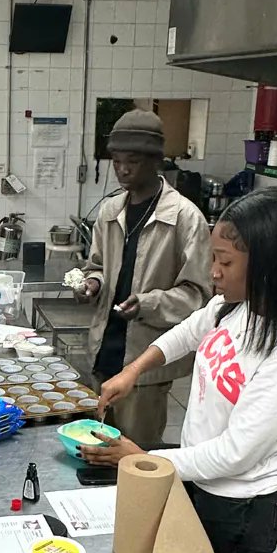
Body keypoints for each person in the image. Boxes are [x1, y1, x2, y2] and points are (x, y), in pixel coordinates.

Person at [79, 188, 277, 553]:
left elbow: (236, 453)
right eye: (215, 258)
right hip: (202, 483)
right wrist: (132, 371)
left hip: (247, 504)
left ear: (270, 265)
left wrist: (146, 459)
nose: (213, 272)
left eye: (225, 262)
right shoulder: (232, 307)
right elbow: (188, 333)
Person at [78, 108, 212, 443]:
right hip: (103, 352)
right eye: (117, 160)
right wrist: (92, 282)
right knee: (96, 449)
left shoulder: (185, 218)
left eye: (133, 161)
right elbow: (96, 264)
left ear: (156, 161)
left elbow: (199, 296)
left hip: (144, 363)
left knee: (134, 454)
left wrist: (148, 303)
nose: (122, 169)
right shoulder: (111, 211)